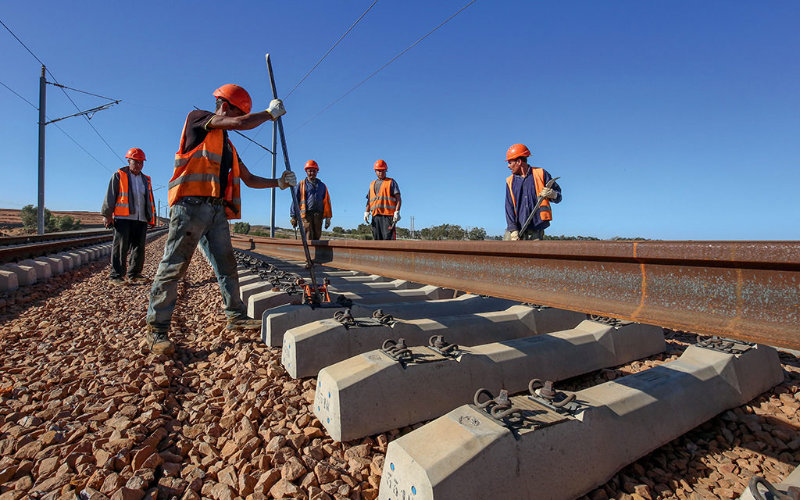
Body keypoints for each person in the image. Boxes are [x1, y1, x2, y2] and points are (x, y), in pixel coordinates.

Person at [145, 84, 297, 355]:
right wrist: (268, 114)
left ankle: (235, 315)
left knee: (227, 265)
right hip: (188, 207)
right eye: (236, 112)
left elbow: (248, 180)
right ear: (225, 106)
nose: (236, 119)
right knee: (173, 267)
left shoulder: (227, 146)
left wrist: (278, 183)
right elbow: (241, 122)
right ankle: (157, 330)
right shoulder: (198, 119)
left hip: (215, 211)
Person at [101, 147, 156, 286]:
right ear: (129, 160)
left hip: (141, 218)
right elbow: (110, 196)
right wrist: (107, 215)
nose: (138, 165)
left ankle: (135, 274)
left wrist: (151, 217)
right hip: (123, 218)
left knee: (139, 247)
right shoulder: (119, 175)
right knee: (120, 247)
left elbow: (150, 199)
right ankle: (116, 275)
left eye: (141, 162)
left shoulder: (146, 180)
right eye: (136, 161)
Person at [504, 143, 562, 240]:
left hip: (536, 230)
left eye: (510, 162)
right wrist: (513, 230)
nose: (508, 166)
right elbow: (509, 208)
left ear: (518, 161)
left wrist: (553, 194)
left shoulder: (541, 174)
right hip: (517, 231)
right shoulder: (510, 182)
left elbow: (559, 197)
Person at [290, 160, 332, 240]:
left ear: (317, 172)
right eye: (310, 171)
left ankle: (316, 252)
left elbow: (327, 202)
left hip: (318, 216)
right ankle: (308, 252)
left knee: (317, 237)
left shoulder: (322, 186)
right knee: (308, 236)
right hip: (306, 216)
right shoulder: (301, 184)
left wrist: (328, 218)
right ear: (306, 171)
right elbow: (295, 200)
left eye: (314, 171)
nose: (312, 173)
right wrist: (293, 216)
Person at [364, 159, 401, 240]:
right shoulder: (372, 184)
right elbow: (369, 200)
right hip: (375, 216)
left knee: (388, 241)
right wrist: (366, 212)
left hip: (388, 217)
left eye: (382, 170)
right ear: (375, 171)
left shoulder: (391, 182)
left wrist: (397, 212)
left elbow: (398, 198)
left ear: (385, 170)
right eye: (378, 170)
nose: (380, 172)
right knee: (377, 240)